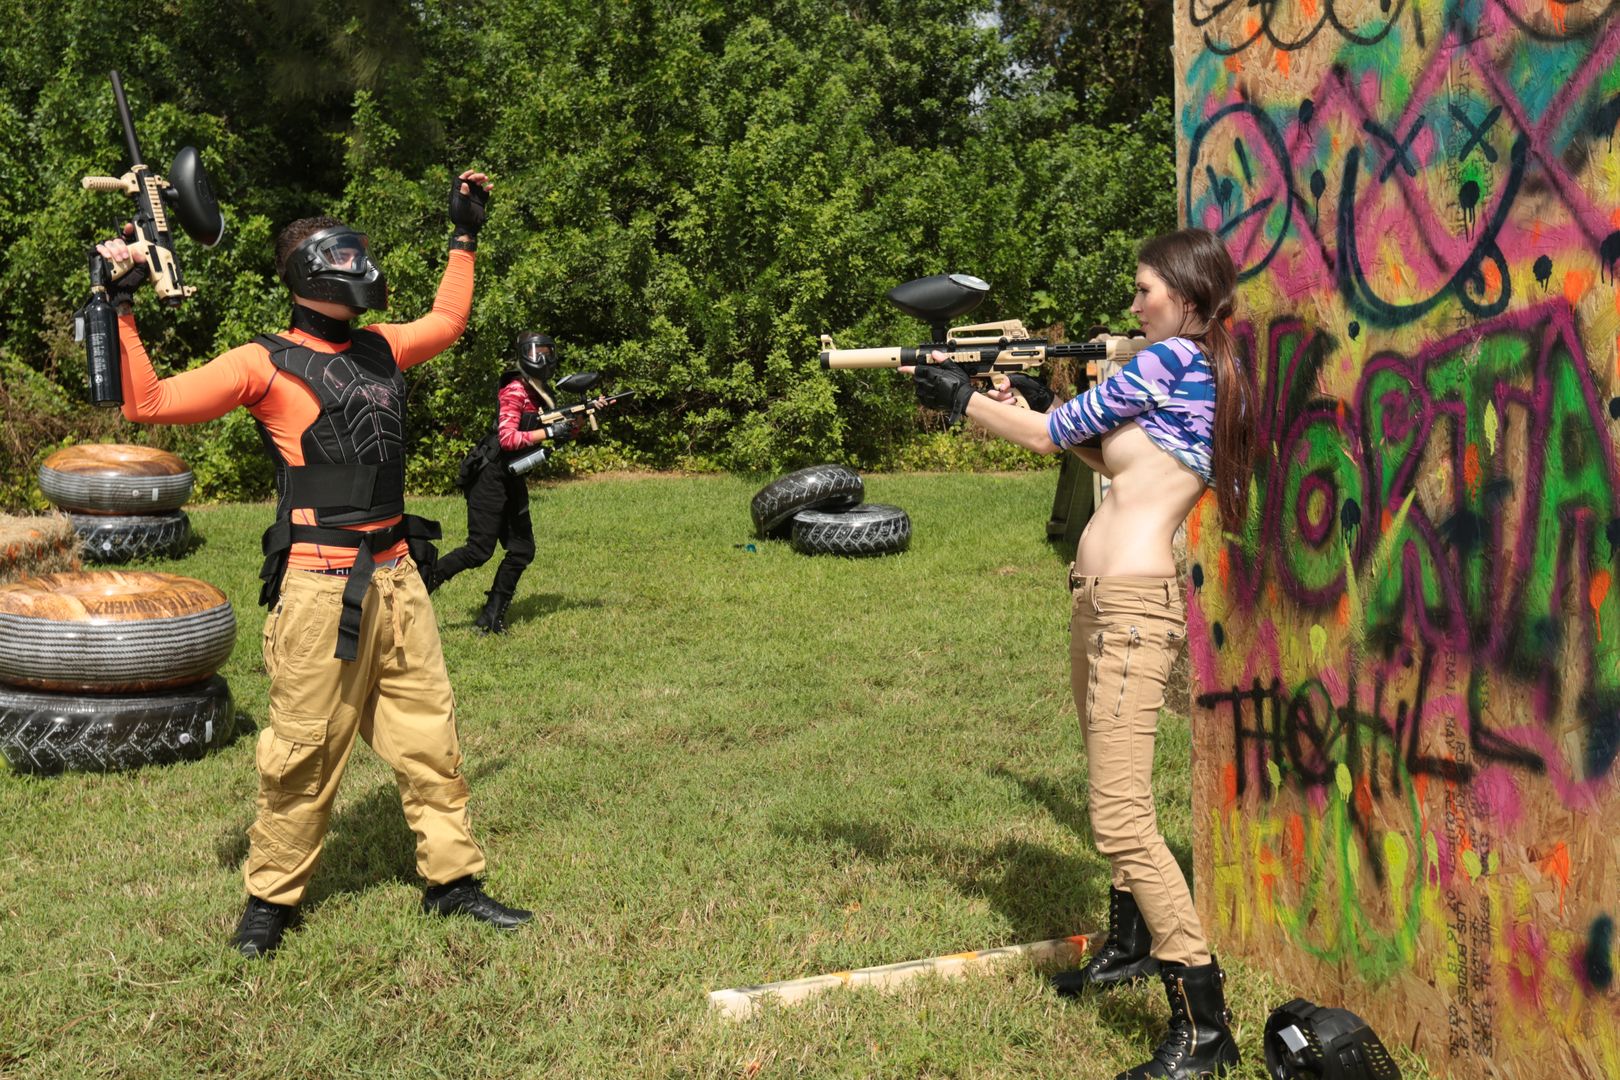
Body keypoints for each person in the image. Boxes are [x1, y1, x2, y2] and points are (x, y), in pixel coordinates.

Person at [96, 169, 533, 959]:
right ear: (310, 272)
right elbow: (149, 404)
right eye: (348, 257)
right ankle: (271, 901)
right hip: (320, 589)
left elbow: (447, 319)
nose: (363, 267)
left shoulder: (381, 345)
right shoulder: (262, 363)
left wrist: (464, 234)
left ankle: (453, 883)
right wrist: (121, 308)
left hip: (399, 578)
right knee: (301, 751)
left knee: (430, 740)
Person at [904, 227, 1257, 1080]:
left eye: (1145, 290)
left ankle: (1205, 1025)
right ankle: (1130, 947)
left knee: (1121, 816)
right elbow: (1099, 452)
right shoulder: (1181, 370)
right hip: (1098, 600)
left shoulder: (1172, 359)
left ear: (1188, 298)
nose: (1134, 305)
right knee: (1112, 780)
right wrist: (1021, 400)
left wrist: (966, 400)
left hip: (1132, 607)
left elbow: (1050, 433)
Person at [429, 332, 587, 633]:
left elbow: (559, 433)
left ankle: (491, 617)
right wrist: (550, 432)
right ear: (524, 354)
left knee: (522, 549)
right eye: (537, 352)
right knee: (479, 550)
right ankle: (418, 588)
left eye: (547, 352)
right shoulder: (515, 389)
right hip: (488, 475)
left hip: (511, 475)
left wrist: (575, 423)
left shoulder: (541, 391)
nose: (543, 358)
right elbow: (509, 439)